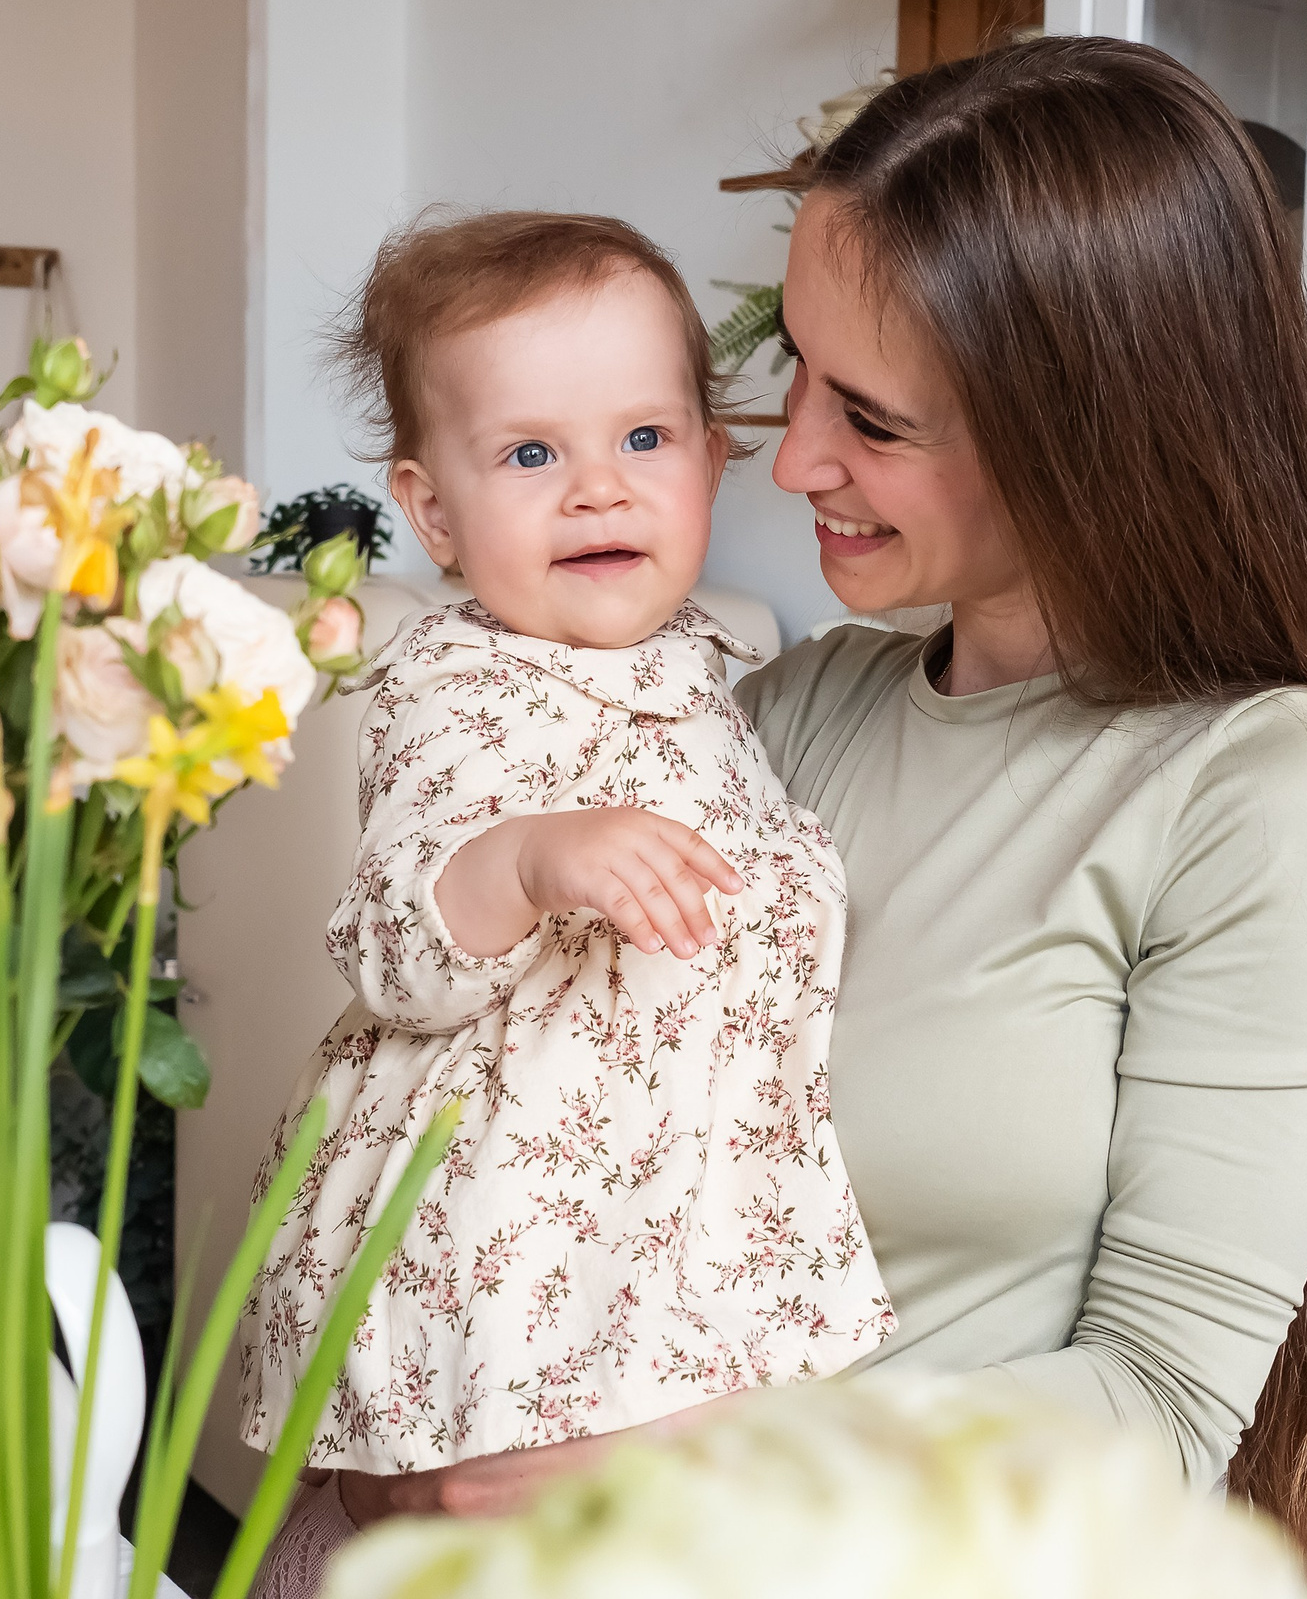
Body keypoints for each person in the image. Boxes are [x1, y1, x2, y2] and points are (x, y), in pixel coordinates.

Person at [332, 38, 1307, 1599]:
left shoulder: (1250, 788)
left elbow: (1165, 1406)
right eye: (791, 367)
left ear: (1085, 431)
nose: (786, 458)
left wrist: (688, 1466)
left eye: (873, 416)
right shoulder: (778, 715)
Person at [238, 212, 893, 1582]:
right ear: (431, 509)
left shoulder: (719, 661)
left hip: (680, 1189)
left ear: (717, 458)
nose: (598, 489)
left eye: (644, 440)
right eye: (533, 454)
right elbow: (393, 943)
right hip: (507, 1199)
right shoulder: (451, 685)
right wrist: (528, 859)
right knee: (517, 1519)